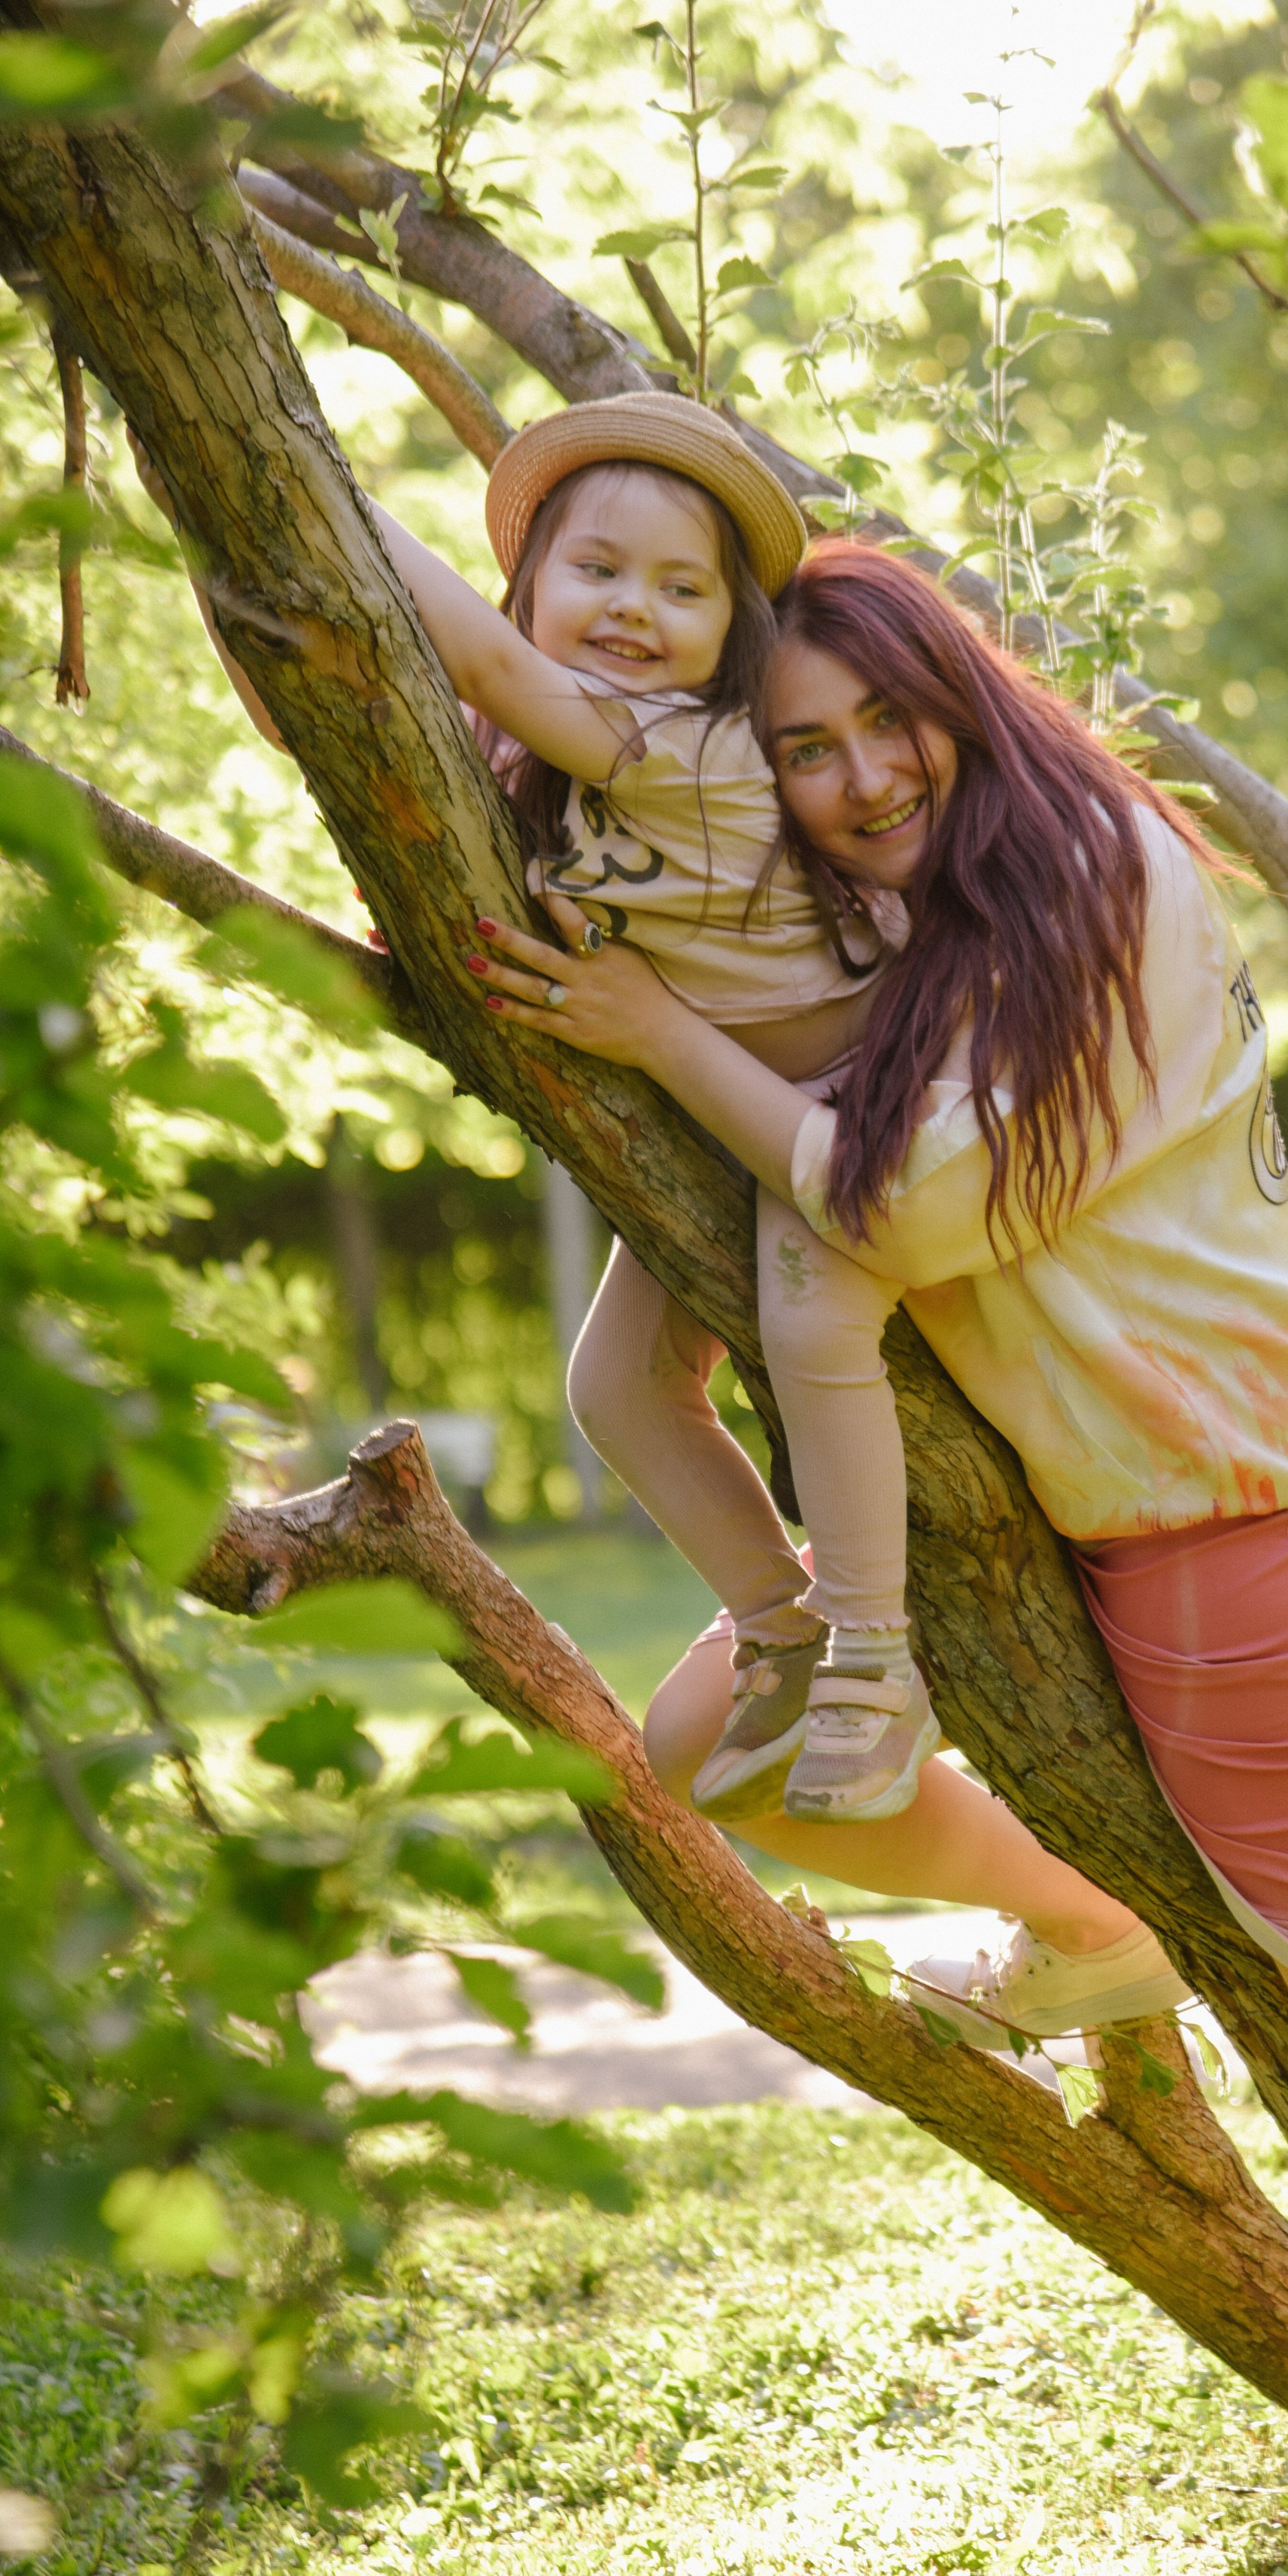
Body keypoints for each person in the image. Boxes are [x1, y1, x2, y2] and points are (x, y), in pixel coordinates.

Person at [464, 536, 1288, 2576]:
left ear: (964, 690)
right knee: (718, 1746)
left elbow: (903, 1216)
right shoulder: (945, 914)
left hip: (1226, 1493)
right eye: (802, 747)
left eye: (883, 721)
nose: (853, 777)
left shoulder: (1099, 874)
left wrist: (654, 1029)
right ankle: (1101, 1927)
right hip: (1102, 1498)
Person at [174, 393, 946, 1828]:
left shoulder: (699, 753)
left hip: (857, 1100)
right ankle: (777, 1624)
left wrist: (285, 474)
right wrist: (226, 574)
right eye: (597, 573)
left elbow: (471, 649)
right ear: (537, 584)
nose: (635, 611)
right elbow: (326, 707)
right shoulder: (546, 755)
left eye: (683, 587)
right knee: (614, 1389)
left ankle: (878, 1653)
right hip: (728, 1109)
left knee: (815, 1317)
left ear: (737, 633)